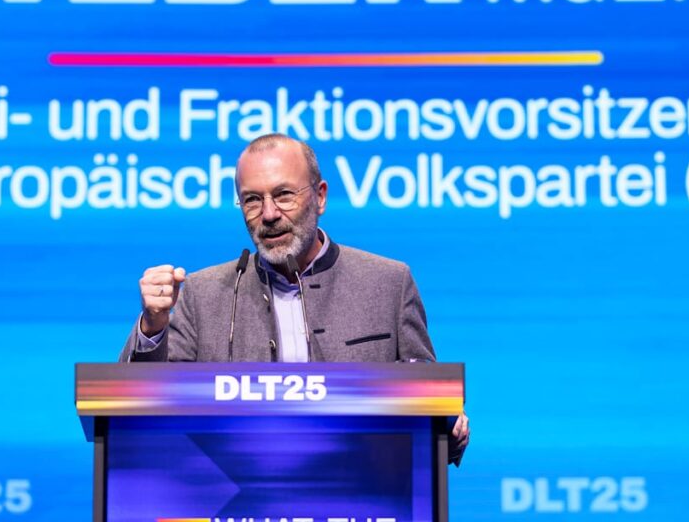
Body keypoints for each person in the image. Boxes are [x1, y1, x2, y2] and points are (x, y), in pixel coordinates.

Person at [120, 133, 469, 461]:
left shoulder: (388, 283)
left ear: (320, 197)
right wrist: (152, 327)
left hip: (360, 489)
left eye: (284, 194)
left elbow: (433, 411)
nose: (269, 214)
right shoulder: (203, 293)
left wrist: (447, 429)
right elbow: (139, 414)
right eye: (252, 200)